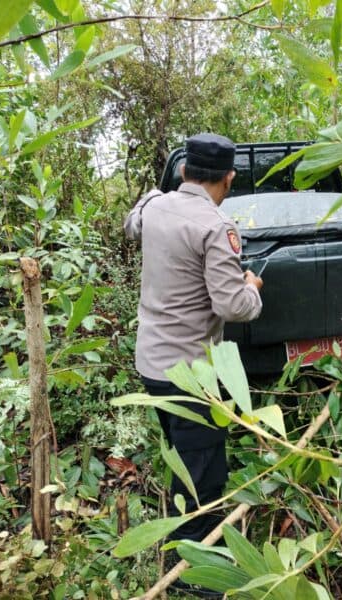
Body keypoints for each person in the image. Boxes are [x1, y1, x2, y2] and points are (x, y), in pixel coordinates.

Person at [124, 133, 263, 544]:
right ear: (229, 179)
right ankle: (195, 571)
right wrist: (252, 287)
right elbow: (232, 306)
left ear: (184, 171)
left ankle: (180, 541)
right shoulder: (215, 227)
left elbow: (133, 225)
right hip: (191, 377)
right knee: (203, 475)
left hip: (152, 364)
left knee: (183, 456)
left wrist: (152, 196)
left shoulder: (155, 208)